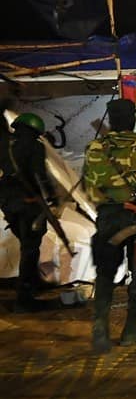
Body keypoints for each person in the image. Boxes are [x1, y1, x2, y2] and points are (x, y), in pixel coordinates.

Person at [83, 98, 136, 354]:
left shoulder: (95, 148)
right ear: (132, 119)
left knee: (105, 274)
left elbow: (88, 184)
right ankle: (130, 329)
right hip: (135, 218)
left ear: (111, 120)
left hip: (107, 218)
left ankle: (100, 328)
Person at [0, 110, 58, 312]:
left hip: (7, 203)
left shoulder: (4, 144)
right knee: (31, 247)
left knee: (26, 244)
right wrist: (52, 195)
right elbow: (39, 174)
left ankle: (33, 282)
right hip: (28, 201)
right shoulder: (34, 145)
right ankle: (24, 298)